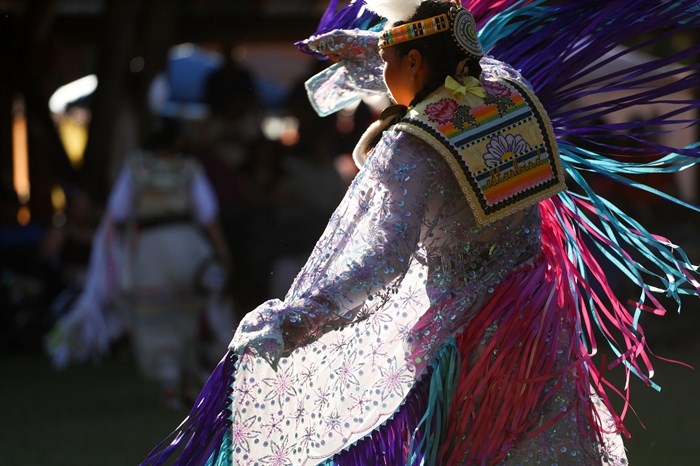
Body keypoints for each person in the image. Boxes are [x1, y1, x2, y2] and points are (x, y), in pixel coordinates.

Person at [142, 1, 700, 464]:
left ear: (413, 60)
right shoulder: (508, 90)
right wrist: (379, 56)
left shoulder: (413, 148)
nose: (380, 79)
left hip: (465, 338)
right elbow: (453, 69)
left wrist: (297, 321)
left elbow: (379, 264)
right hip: (535, 318)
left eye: (388, 59)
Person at [48, 118, 233, 409]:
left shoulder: (136, 168)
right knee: (191, 312)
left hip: (151, 249)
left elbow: (117, 212)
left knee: (157, 316)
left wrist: (111, 251)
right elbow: (207, 213)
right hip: (187, 245)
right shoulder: (188, 169)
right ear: (179, 142)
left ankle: (171, 381)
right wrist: (222, 252)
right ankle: (188, 380)